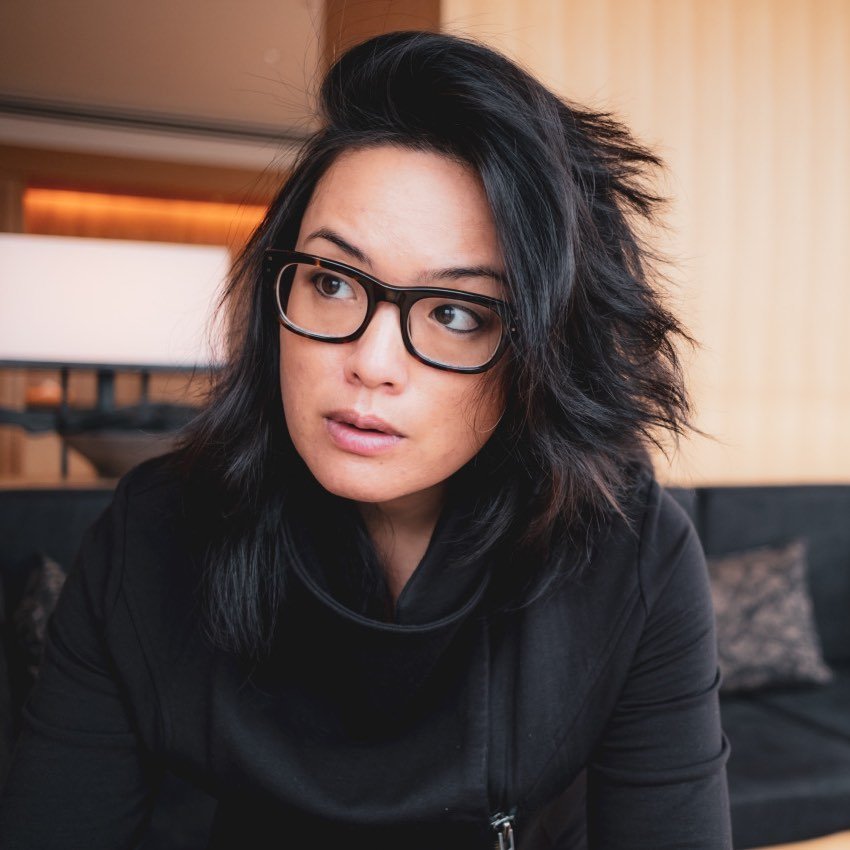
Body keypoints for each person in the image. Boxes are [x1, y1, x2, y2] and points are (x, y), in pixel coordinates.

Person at [0, 29, 732, 849]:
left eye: (457, 312)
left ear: (542, 351)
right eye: (333, 281)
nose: (371, 363)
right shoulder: (152, 533)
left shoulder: (629, 550)